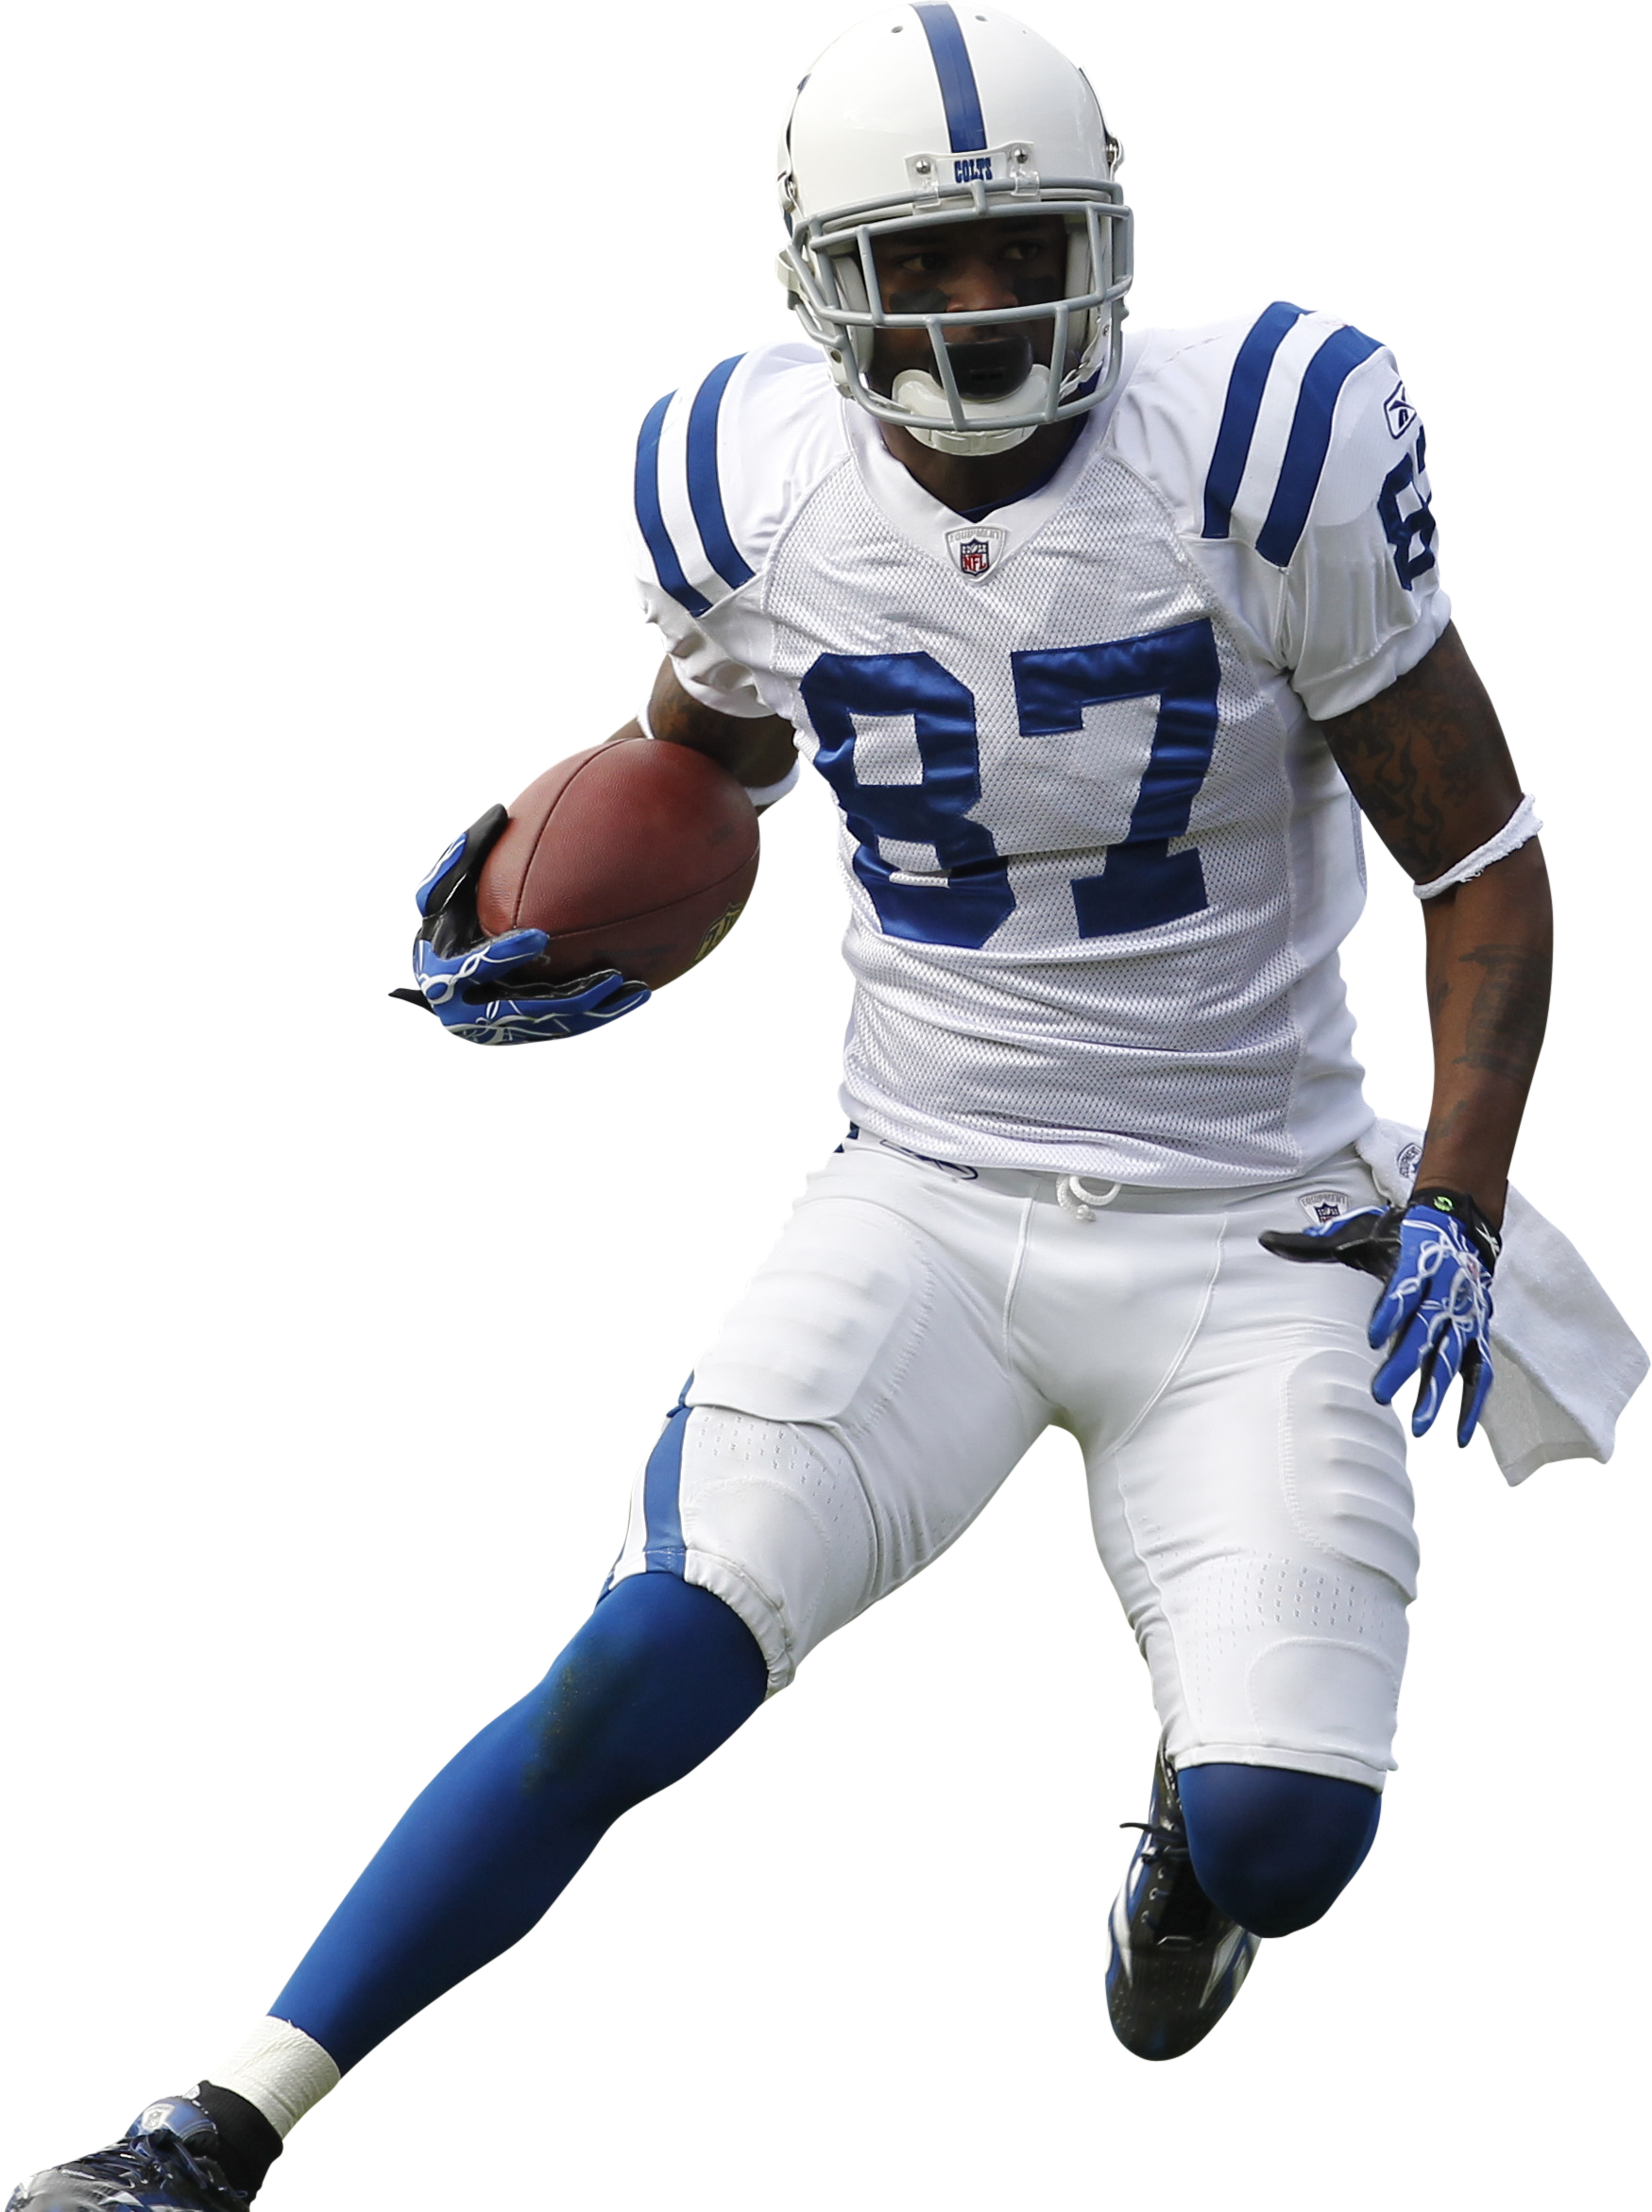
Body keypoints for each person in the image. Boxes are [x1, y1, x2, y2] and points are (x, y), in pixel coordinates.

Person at [11, 5, 1631, 2206]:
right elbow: (717, 751)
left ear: (1107, 241)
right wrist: (569, 891)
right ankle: (209, 2127)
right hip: (927, 1200)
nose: (978, 308)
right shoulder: (741, 484)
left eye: (1021, 248)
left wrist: (1455, 1195)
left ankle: (1194, 1836)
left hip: (1255, 1222)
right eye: (919, 263)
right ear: (817, 283)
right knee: (644, 1656)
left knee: (1289, 1837)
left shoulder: (1269, 450)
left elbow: (1481, 861)